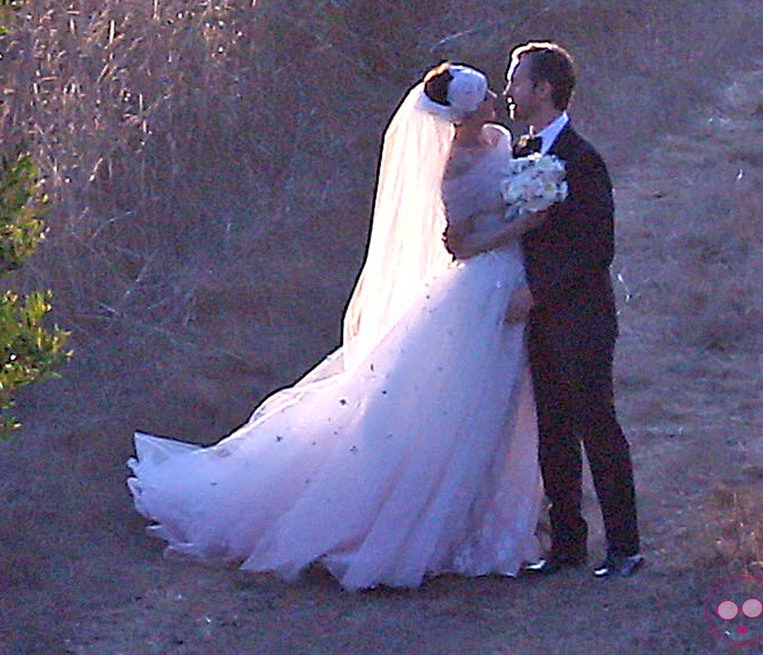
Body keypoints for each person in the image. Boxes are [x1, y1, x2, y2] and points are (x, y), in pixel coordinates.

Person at [127, 63, 546, 591]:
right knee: (464, 404)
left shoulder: (501, 138)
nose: (494, 101)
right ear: (463, 114)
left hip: (511, 282)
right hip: (481, 285)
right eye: (484, 97)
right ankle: (436, 522)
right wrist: (521, 225)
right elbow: (459, 245)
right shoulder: (456, 165)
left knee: (502, 401)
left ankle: (497, 512)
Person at [505, 42, 642, 578]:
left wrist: (538, 291)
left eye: (517, 81)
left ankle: (625, 545)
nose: (509, 91)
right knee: (553, 433)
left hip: (581, 318)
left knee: (596, 426)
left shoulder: (583, 161)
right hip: (538, 324)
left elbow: (595, 247)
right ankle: (567, 544)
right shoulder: (519, 154)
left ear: (543, 90)